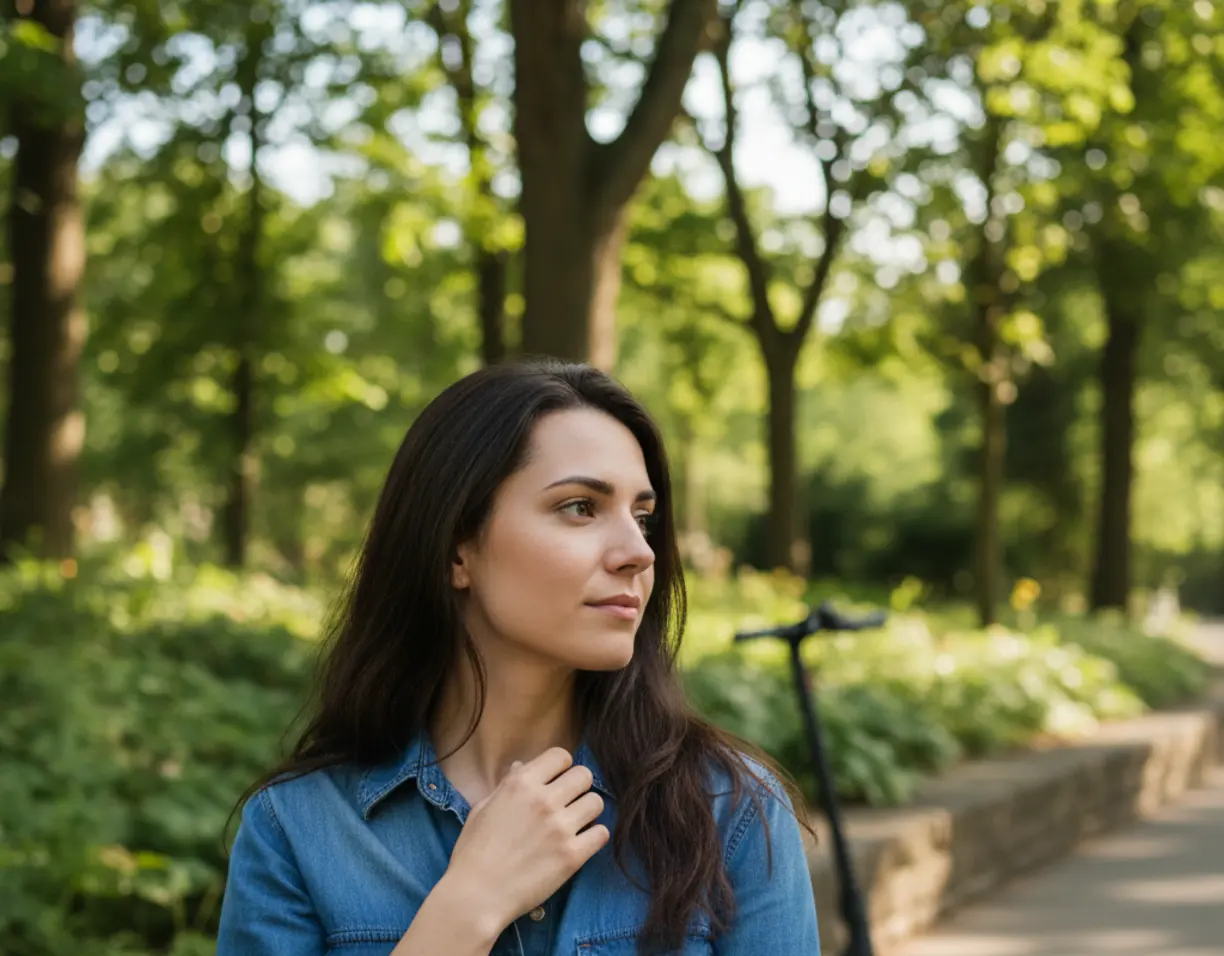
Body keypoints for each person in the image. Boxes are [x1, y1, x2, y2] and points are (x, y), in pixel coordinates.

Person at [217, 360, 822, 956]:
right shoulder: (298, 830)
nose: (638, 551)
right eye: (581, 507)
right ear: (458, 548)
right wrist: (466, 909)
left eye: (642, 516)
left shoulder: (730, 812)